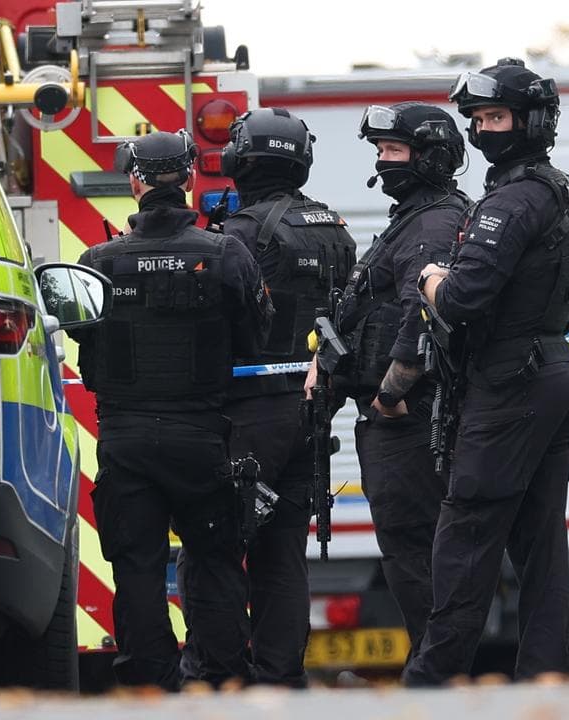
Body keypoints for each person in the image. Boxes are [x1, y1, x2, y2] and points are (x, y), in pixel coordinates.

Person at [402, 58, 569, 686]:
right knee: (542, 543)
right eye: (479, 118)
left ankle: (430, 685)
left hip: (511, 382)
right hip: (552, 372)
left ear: (531, 120)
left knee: (466, 534)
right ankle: (545, 674)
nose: (484, 129)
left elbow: (461, 301)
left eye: (495, 116)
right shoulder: (563, 189)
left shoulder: (511, 201)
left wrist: (431, 278)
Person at [73, 130, 272, 690]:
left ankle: (152, 683)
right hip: (202, 438)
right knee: (215, 560)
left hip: (126, 440)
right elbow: (254, 341)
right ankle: (226, 677)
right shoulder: (226, 252)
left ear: (134, 182)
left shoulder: (99, 261)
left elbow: (84, 344)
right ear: (188, 180)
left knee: (135, 566)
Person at [184, 107, 355, 687]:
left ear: (241, 160)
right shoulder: (337, 228)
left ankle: (224, 677)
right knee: (283, 555)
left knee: (216, 548)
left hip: (245, 414)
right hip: (309, 413)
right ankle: (282, 680)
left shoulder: (238, 236)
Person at [332, 102, 470, 659]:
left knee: (415, 548)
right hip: (405, 416)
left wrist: (390, 394)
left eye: (393, 151)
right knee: (412, 548)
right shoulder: (415, 217)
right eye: (381, 151)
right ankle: (438, 669)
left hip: (411, 419)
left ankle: (438, 674)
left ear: (430, 158)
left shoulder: (433, 222)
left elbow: (424, 313)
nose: (383, 162)